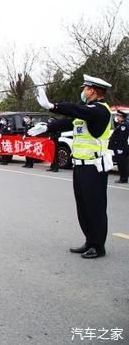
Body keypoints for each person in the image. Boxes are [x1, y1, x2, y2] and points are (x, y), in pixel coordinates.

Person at [30, 74, 114, 259]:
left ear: (92, 90)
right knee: (83, 207)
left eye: (85, 88)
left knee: (95, 207)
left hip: (94, 167)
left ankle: (98, 246)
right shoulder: (86, 112)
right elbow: (69, 121)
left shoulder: (100, 111)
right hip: (81, 166)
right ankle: (89, 241)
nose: (82, 92)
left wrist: (53, 106)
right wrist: (46, 127)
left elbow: (77, 110)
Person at [108, 109, 129, 183]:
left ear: (122, 117)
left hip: (121, 147)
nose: (117, 117)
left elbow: (122, 138)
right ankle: (123, 178)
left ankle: (123, 179)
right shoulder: (121, 125)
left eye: (118, 116)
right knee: (121, 163)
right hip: (120, 147)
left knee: (122, 163)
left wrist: (119, 148)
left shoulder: (124, 125)